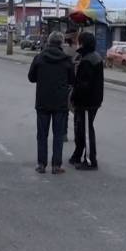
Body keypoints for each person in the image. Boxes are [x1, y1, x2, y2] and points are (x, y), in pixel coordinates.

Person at [28, 31, 75, 174]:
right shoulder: (67, 60)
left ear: (48, 42)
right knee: (58, 135)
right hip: (60, 103)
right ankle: (56, 165)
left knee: (42, 134)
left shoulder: (39, 58)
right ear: (61, 43)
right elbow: (72, 80)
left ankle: (41, 164)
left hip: (42, 101)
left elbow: (31, 77)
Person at [69, 32, 104, 170]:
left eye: (80, 41)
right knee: (81, 129)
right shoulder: (93, 57)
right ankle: (77, 155)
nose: (78, 43)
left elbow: (84, 84)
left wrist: (74, 96)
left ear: (83, 43)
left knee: (86, 131)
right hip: (92, 100)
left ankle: (90, 160)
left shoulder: (88, 60)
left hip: (86, 102)